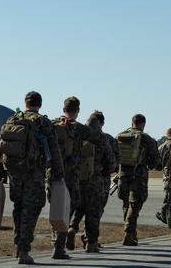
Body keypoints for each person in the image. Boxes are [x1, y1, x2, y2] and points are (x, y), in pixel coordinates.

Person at [0, 91, 65, 264]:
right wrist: (58, 174)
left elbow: (1, 148)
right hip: (34, 173)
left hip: (14, 173)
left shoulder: (12, 120)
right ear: (39, 104)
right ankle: (24, 250)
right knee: (31, 209)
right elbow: (54, 151)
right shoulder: (43, 123)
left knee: (18, 208)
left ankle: (19, 245)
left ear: (25, 103)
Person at [71, 115, 117, 252]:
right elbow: (111, 162)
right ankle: (91, 243)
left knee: (78, 208)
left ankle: (72, 228)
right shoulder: (102, 138)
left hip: (78, 179)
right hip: (95, 181)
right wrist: (107, 171)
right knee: (93, 212)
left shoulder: (78, 135)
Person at [52, 96, 90, 259]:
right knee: (67, 209)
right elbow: (93, 137)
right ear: (77, 110)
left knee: (55, 208)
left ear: (63, 109)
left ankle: (56, 240)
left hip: (52, 173)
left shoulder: (53, 124)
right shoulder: (80, 128)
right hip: (71, 174)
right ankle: (59, 246)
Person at [116, 114, 161, 246]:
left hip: (122, 175)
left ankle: (132, 232)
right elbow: (155, 161)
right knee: (134, 206)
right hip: (138, 176)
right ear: (143, 124)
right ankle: (128, 233)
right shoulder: (147, 139)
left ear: (132, 123)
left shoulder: (121, 136)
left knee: (126, 204)